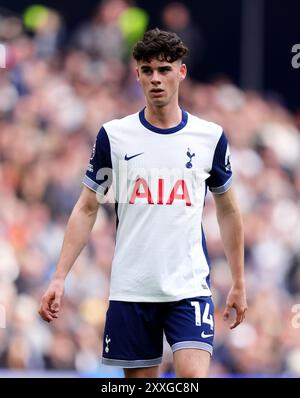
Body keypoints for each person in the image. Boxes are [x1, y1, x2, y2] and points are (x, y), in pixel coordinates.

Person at [39, 28, 247, 378]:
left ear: (181, 73)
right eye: (147, 70)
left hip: (188, 287)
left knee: (193, 379)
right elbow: (87, 206)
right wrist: (59, 277)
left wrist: (239, 281)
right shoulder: (114, 136)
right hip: (132, 289)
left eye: (165, 70)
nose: (156, 79)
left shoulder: (210, 137)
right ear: (137, 75)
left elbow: (228, 209)